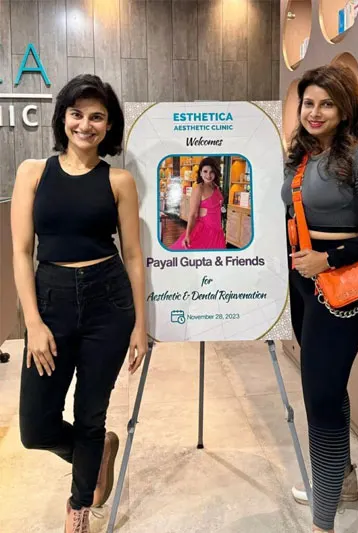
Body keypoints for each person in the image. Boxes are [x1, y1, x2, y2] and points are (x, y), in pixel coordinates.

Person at [11, 74, 148, 533]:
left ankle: (79, 511)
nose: (85, 125)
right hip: (50, 301)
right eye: (77, 114)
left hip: (108, 303)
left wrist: (140, 324)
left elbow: (133, 255)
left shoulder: (119, 180)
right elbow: (20, 252)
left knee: (90, 414)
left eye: (97, 117)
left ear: (109, 126)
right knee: (35, 428)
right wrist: (33, 323)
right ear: (63, 118)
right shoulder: (33, 173)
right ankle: (98, 452)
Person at [281, 64, 358, 532]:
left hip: (340, 287)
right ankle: (342, 481)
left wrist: (330, 258)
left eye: (326, 104)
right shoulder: (301, 155)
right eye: (308, 103)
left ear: (345, 108)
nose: (314, 112)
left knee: (322, 400)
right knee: (326, 390)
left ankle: (323, 521)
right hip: (301, 285)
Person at [170, 157, 226, 250]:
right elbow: (193, 214)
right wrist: (187, 235)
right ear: (200, 173)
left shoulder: (216, 187)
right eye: (205, 171)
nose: (208, 175)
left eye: (211, 172)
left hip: (217, 231)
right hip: (204, 230)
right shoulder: (199, 188)